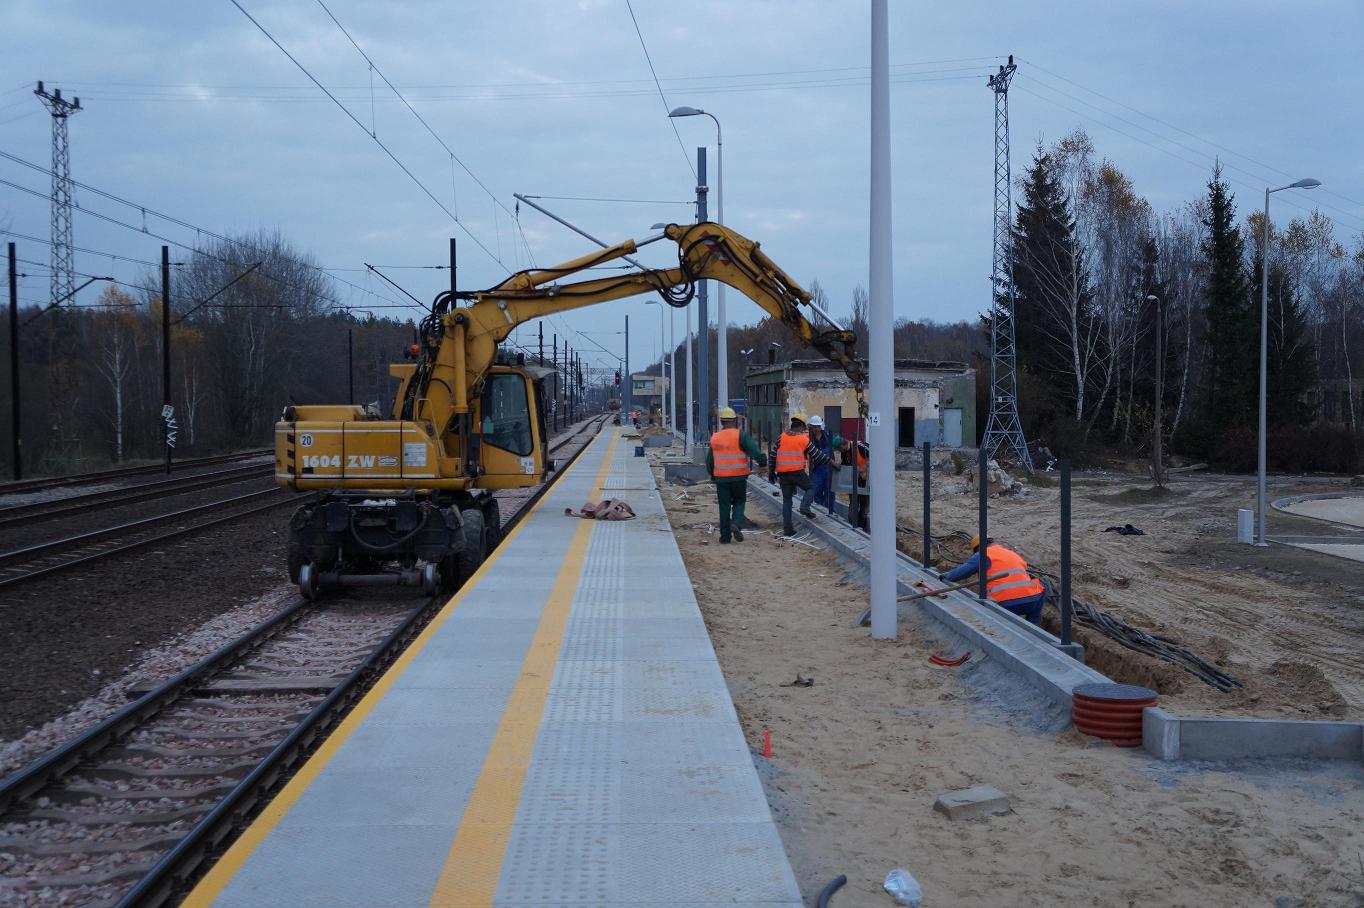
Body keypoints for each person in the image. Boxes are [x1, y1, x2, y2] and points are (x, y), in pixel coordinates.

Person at [941, 535, 1046, 624]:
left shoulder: (982, 555)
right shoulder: (1011, 553)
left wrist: (947, 576)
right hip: (1031, 601)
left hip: (1005, 603)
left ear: (977, 548)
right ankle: (1032, 625)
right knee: (1041, 588)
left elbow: (962, 572)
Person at [706, 407, 766, 544]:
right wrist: (763, 463)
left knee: (724, 506)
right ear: (735, 420)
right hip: (739, 477)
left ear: (721, 422)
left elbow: (710, 461)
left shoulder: (715, 437)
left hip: (721, 479)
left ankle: (725, 537)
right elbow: (754, 451)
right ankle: (736, 524)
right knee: (739, 502)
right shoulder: (741, 435)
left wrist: (713, 475)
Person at [771, 412, 812, 536]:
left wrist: (771, 471)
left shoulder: (781, 437)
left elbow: (773, 455)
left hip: (782, 474)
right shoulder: (803, 439)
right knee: (810, 488)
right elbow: (817, 454)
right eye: (804, 428)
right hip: (797, 472)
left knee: (787, 501)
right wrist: (831, 462)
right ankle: (804, 507)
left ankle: (788, 529)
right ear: (801, 426)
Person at [800, 415, 841, 519]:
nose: (816, 429)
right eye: (814, 427)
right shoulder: (808, 439)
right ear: (811, 427)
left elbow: (833, 451)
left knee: (830, 492)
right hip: (816, 469)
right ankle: (821, 512)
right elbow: (803, 453)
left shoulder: (827, 436)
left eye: (818, 426)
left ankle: (831, 513)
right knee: (816, 491)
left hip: (828, 468)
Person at [838, 439, 869, 531]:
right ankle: (853, 526)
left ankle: (862, 526)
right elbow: (845, 465)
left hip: (865, 480)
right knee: (853, 504)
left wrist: (864, 468)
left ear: (843, 445)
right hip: (853, 481)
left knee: (865, 506)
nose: (839, 451)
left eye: (839, 449)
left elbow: (874, 456)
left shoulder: (860, 447)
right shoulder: (844, 452)